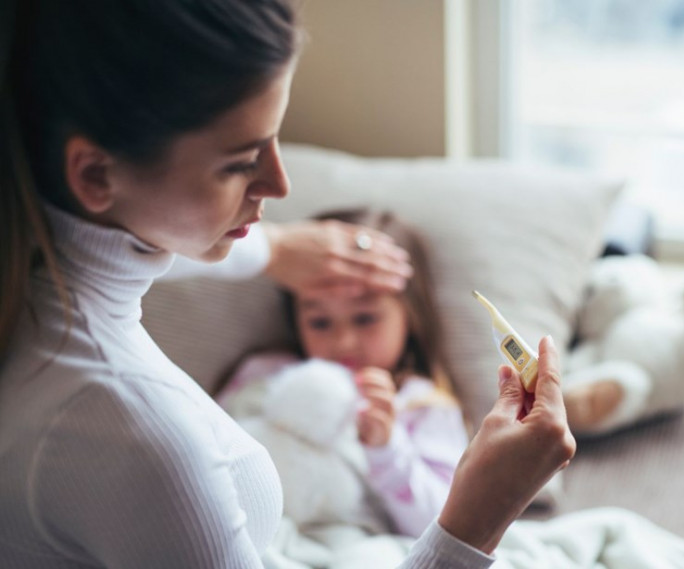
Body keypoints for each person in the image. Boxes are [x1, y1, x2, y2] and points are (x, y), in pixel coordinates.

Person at [0, 2, 574, 568]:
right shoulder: (141, 439)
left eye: (277, 138)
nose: (279, 183)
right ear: (96, 173)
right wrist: (474, 524)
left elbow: (130, 247)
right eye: (238, 162)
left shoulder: (35, 282)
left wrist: (274, 249)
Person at [217, 209, 468, 539]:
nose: (343, 341)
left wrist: (387, 449)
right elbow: (207, 450)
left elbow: (445, 525)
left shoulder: (421, 404)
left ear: (411, 314)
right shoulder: (265, 373)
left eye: (365, 318)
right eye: (320, 322)